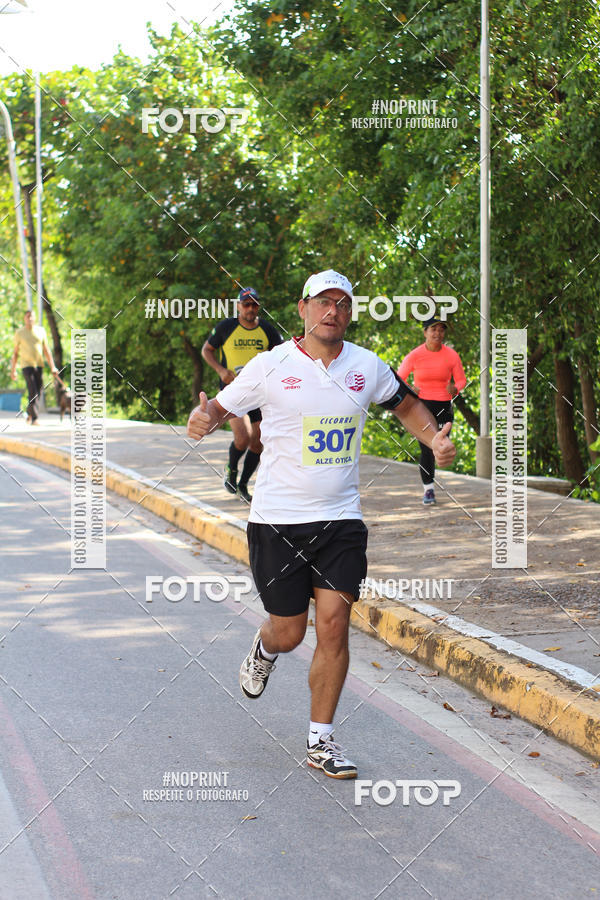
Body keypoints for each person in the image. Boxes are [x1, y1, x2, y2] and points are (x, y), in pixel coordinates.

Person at [187, 269, 456, 779]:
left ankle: (321, 741)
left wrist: (434, 440)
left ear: (350, 313)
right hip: (277, 523)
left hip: (340, 522)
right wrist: (202, 421)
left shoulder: (367, 366)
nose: (333, 311)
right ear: (303, 308)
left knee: (334, 626)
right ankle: (265, 647)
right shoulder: (271, 366)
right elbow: (219, 410)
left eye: (343, 303)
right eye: (323, 302)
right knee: (290, 633)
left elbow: (407, 405)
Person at [201, 287, 282, 502]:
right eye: (246, 304)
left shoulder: (267, 330)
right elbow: (206, 350)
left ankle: (244, 485)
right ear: (238, 306)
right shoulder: (226, 327)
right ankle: (231, 470)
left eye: (254, 304)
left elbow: (281, 356)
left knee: (258, 441)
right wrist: (220, 370)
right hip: (232, 392)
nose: (250, 308)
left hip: (259, 394)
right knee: (243, 437)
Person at [397, 317, 466, 505]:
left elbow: (461, 380)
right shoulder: (415, 355)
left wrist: (455, 388)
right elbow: (398, 378)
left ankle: (432, 481)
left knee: (440, 446)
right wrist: (411, 388)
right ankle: (428, 490)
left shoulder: (451, 355)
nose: (437, 334)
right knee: (427, 448)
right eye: (433, 330)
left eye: (441, 330)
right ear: (425, 332)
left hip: (444, 407)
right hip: (422, 407)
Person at [10, 309, 58, 425]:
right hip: (26, 365)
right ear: (24, 319)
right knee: (33, 390)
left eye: (31, 316)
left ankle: (29, 412)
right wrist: (13, 370)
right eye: (27, 317)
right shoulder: (20, 333)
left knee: (38, 392)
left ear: (34, 318)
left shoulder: (40, 331)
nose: (30, 319)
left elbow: (46, 350)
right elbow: (15, 353)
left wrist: (53, 367)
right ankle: (35, 418)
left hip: (39, 365)